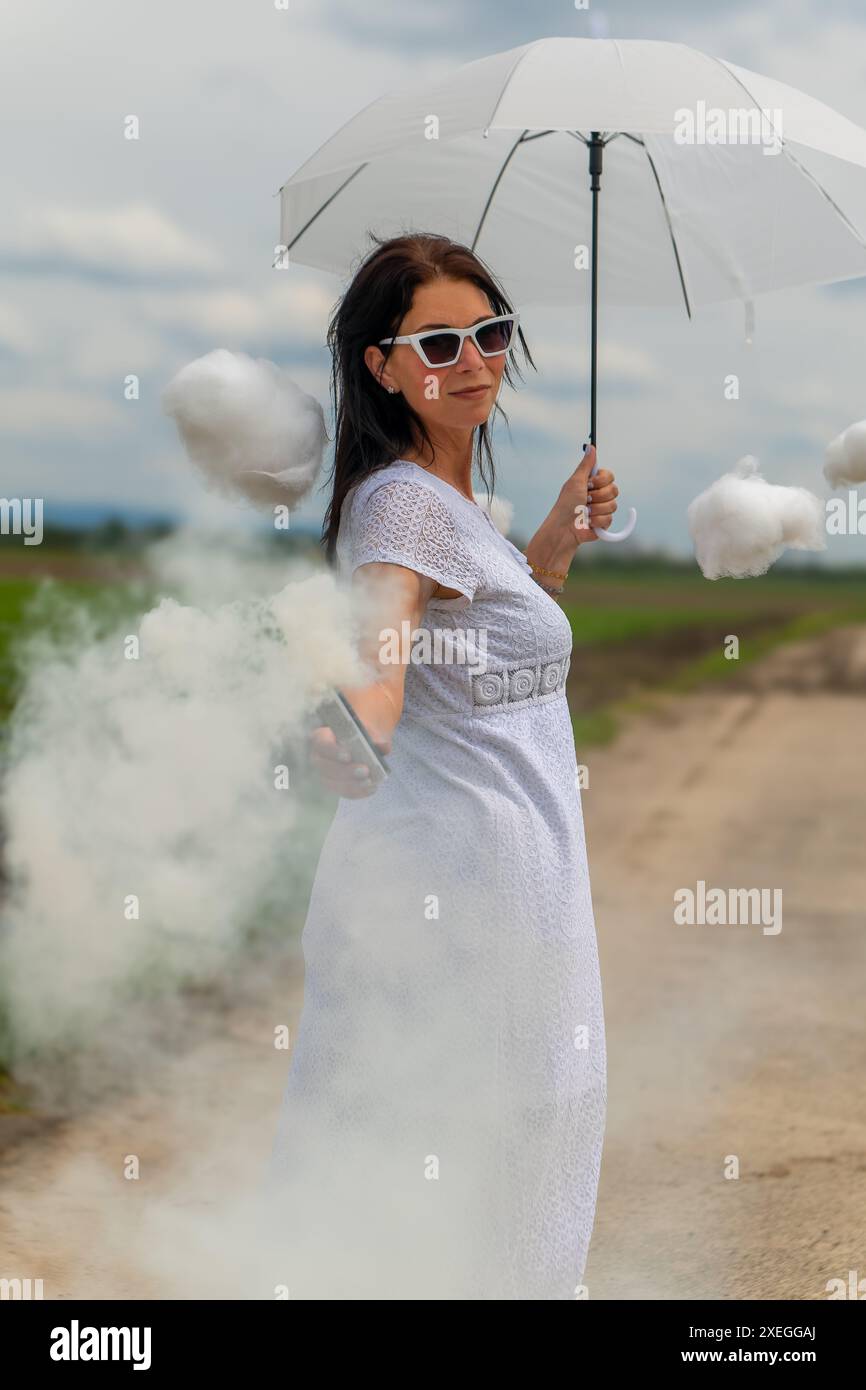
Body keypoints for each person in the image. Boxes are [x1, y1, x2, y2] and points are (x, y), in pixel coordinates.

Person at [266, 232, 618, 1300]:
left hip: (510, 879)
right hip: (464, 897)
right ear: (380, 365)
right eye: (437, 341)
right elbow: (383, 665)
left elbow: (480, 652)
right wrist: (351, 732)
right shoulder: (402, 505)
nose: (471, 359)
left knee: (502, 1137)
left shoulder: (452, 508)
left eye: (489, 333)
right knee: (487, 1145)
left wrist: (548, 547)